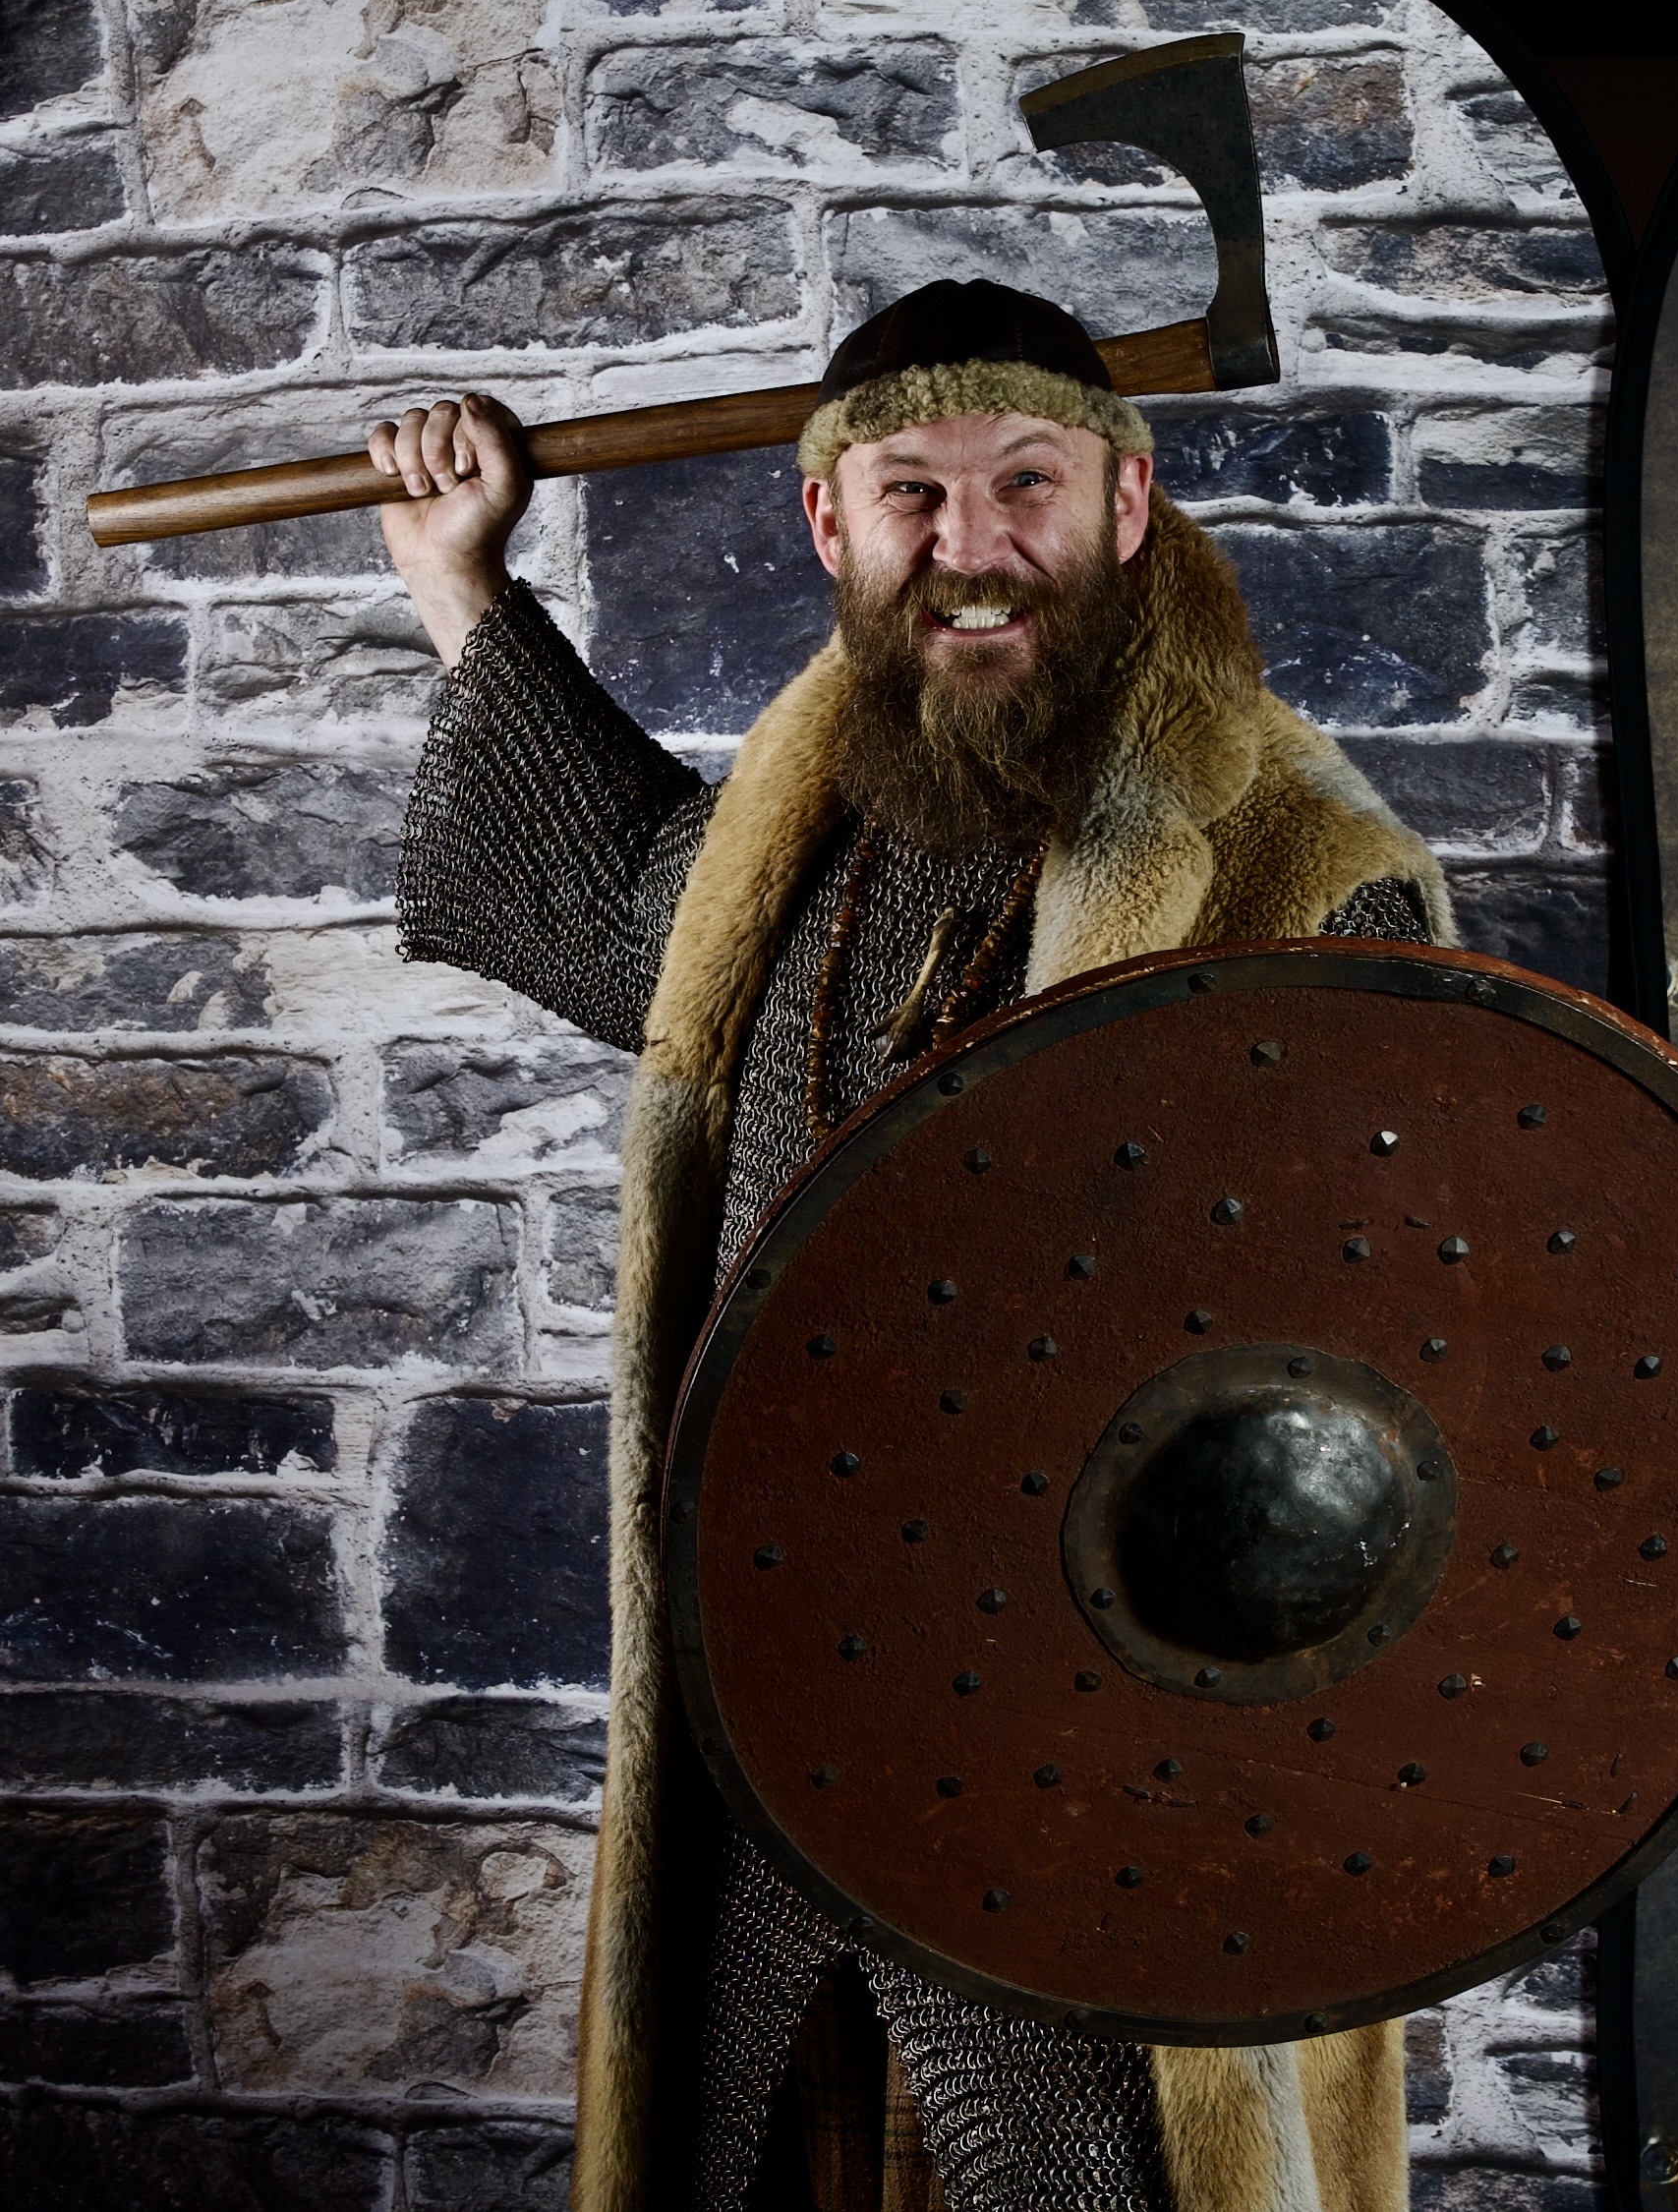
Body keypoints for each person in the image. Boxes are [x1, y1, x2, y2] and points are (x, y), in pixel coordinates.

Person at [371, 279, 1454, 2212]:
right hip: (771, 1752)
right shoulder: (807, 822)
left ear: (1126, 503)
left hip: (1083, 1794)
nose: (971, 547)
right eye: (911, 494)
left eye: (1025, 481)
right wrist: (460, 577)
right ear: (829, 524)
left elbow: (1376, 1389)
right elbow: (611, 892)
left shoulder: (1298, 864)